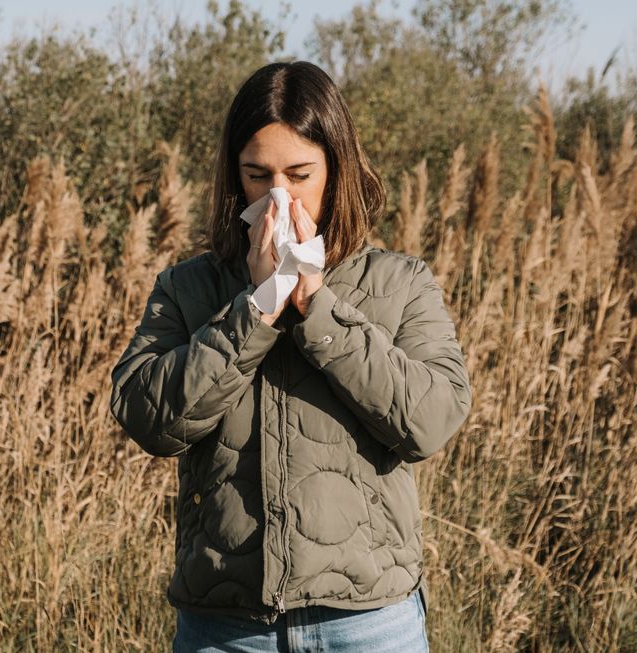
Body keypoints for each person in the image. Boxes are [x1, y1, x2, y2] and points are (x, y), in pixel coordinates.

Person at [110, 60, 471, 652]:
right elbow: (148, 417)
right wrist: (254, 311)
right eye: (257, 176)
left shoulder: (401, 282)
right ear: (234, 179)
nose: (279, 197)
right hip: (226, 626)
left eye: (300, 174)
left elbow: (431, 422)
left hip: (367, 622)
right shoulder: (188, 287)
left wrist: (317, 308)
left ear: (337, 171)